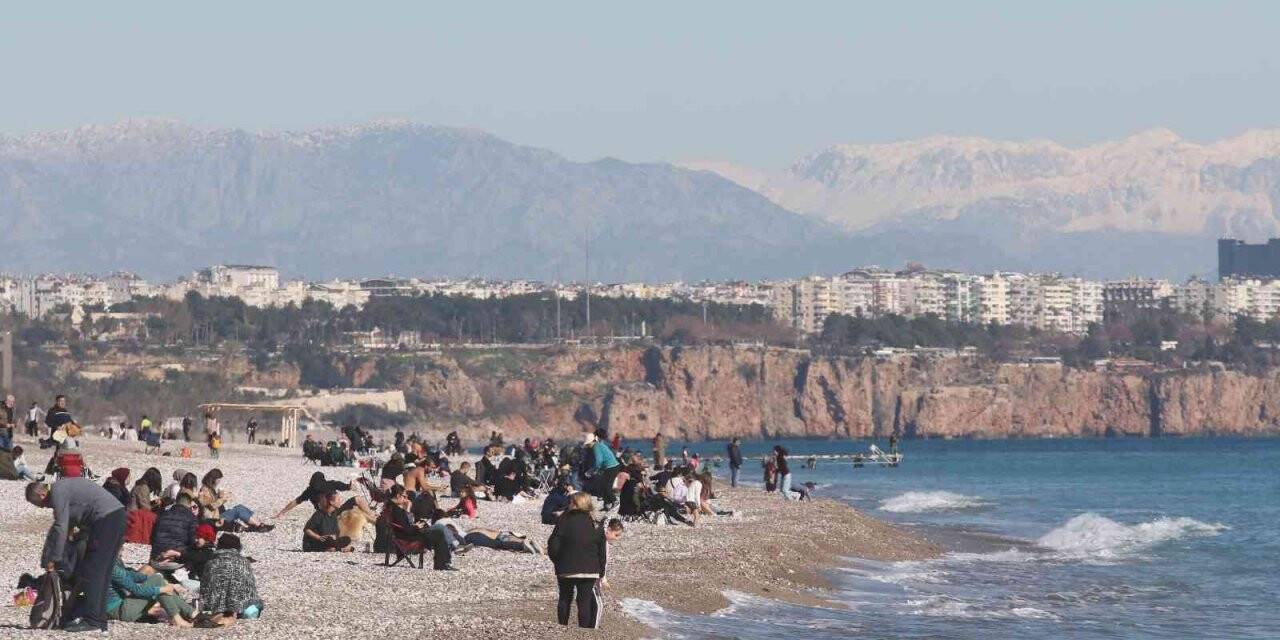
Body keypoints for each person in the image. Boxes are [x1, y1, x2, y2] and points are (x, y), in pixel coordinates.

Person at [27, 477, 128, 632]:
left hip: (106, 520)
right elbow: (69, 525)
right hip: (117, 516)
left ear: (41, 494)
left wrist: (54, 558)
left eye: (41, 505)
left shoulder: (57, 492)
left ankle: (93, 621)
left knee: (91, 571)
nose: (45, 508)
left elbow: (61, 526)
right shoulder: (63, 488)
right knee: (103, 572)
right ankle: (99, 619)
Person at [548, 493, 619, 629]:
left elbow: (553, 545)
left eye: (571, 502)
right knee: (584, 602)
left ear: (575, 504)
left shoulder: (564, 519)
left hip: (566, 567)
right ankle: (583, 632)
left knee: (564, 598)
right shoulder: (595, 522)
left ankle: (562, 627)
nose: (569, 504)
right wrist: (601, 572)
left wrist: (558, 561)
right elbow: (602, 551)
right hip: (590, 569)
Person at [106, 551, 194, 626]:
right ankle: (179, 618)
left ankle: (190, 613)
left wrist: (154, 580)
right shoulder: (111, 566)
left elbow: (131, 575)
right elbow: (137, 591)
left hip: (120, 609)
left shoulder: (108, 562)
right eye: (121, 546)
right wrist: (161, 589)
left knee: (157, 579)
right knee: (157, 580)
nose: (123, 549)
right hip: (120, 611)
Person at [385, 485, 456, 570]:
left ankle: (446, 558)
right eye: (404, 496)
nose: (406, 499)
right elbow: (406, 529)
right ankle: (443, 563)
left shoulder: (390, 506)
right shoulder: (396, 510)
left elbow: (404, 525)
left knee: (438, 529)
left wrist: (414, 523)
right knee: (439, 532)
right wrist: (416, 527)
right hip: (407, 538)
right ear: (398, 496)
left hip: (404, 535)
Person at [199, 534, 264, 627]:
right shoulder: (244, 562)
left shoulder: (211, 562)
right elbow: (250, 588)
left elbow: (204, 588)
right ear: (238, 547)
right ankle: (232, 613)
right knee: (258, 604)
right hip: (239, 605)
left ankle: (220, 613)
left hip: (213, 606)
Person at [197, 469, 271, 532]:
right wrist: (223, 499)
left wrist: (219, 495)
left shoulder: (210, 488)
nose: (219, 481)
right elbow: (210, 506)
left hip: (218, 514)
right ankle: (259, 526)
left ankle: (256, 524)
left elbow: (212, 501)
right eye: (219, 479)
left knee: (240, 506)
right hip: (214, 519)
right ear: (214, 479)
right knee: (238, 510)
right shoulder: (204, 490)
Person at [586, 432, 622, 511]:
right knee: (603, 485)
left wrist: (591, 471)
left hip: (611, 467)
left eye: (588, 444)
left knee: (606, 486)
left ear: (591, 442)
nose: (587, 446)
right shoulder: (599, 445)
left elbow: (599, 461)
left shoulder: (596, 447)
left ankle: (614, 501)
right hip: (611, 467)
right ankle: (607, 504)